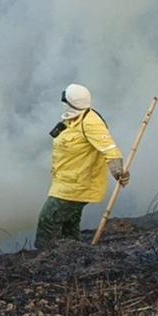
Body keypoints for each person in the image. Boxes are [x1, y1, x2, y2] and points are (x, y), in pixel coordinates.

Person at [36, 84, 130, 248]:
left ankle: (46, 256)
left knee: (48, 218)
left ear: (71, 103)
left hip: (77, 186)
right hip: (65, 181)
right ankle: (72, 252)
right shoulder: (73, 118)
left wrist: (118, 172)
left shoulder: (91, 122)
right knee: (69, 223)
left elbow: (109, 149)